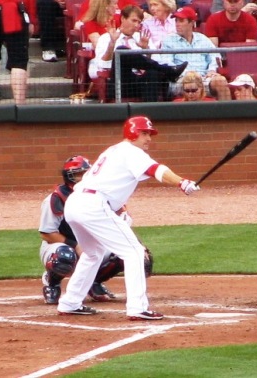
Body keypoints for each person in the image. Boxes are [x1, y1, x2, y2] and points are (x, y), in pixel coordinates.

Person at [57, 116, 200, 319]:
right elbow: (156, 170)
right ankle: (138, 308)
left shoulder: (115, 150)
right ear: (132, 133)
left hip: (76, 203)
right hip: (93, 204)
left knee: (93, 253)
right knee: (134, 252)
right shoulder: (131, 151)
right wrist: (182, 182)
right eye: (144, 133)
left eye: (149, 134)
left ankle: (70, 302)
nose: (148, 138)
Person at [38, 155, 155, 304]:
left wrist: (138, 245)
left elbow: (121, 227)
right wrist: (75, 245)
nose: (81, 178)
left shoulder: (102, 195)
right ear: (68, 177)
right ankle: (52, 282)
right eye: (77, 174)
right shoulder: (56, 198)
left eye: (84, 173)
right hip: (60, 245)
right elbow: (47, 233)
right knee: (64, 256)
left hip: (91, 245)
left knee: (121, 252)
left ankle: (93, 282)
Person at [88, 5, 188, 102]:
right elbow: (102, 65)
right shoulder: (106, 38)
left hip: (140, 83)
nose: (136, 25)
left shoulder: (142, 38)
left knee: (153, 73)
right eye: (134, 21)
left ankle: (151, 113)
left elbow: (156, 61)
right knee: (122, 50)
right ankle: (169, 70)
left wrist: (146, 50)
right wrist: (112, 43)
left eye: (139, 22)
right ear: (123, 18)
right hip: (120, 83)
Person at [158, 6, 231, 100]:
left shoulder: (203, 39)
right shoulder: (169, 40)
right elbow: (168, 64)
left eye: (181, 21)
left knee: (220, 81)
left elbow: (215, 57)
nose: (177, 24)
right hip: (181, 80)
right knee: (191, 83)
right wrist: (191, 76)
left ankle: (226, 114)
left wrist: (212, 71)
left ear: (192, 23)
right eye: (176, 21)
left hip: (203, 79)